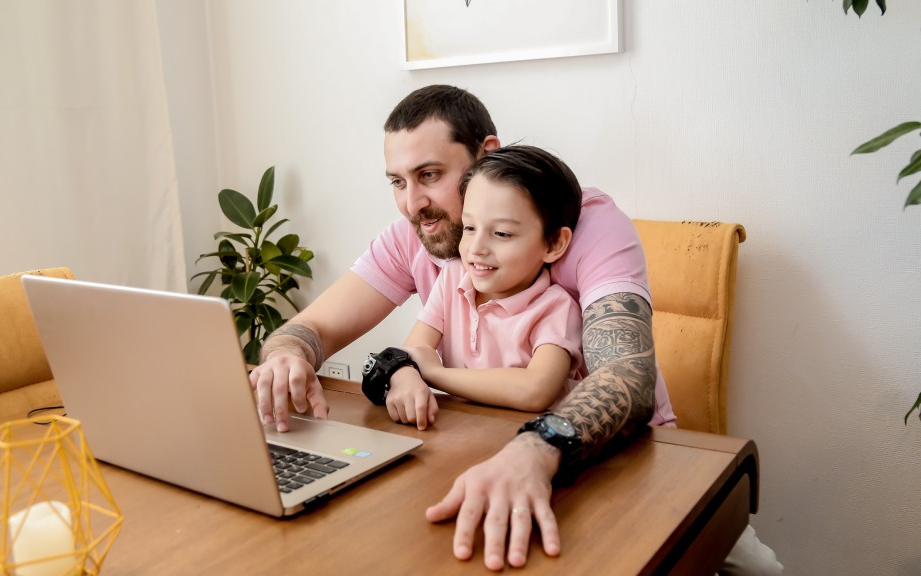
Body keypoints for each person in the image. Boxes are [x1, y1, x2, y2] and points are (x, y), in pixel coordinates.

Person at [249, 85, 780, 574]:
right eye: (397, 182)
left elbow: (627, 375)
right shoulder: (423, 236)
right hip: (489, 449)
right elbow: (312, 327)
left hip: (634, 453)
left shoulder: (586, 224)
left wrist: (535, 446)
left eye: (430, 175)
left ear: (486, 154)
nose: (413, 205)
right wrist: (287, 354)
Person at [384, 145, 586, 429]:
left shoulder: (556, 308)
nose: (476, 248)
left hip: (533, 442)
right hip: (465, 432)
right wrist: (404, 375)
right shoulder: (454, 276)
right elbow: (412, 352)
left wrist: (433, 373)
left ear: (553, 243)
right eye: (469, 228)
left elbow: (535, 390)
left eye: (501, 233)